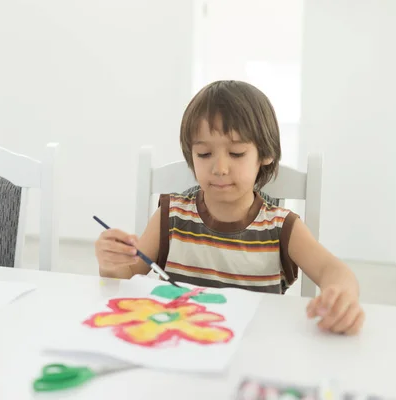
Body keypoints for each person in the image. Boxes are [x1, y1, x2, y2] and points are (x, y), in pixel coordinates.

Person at [95, 80, 364, 335]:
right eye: (204, 154)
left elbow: (334, 271)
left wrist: (342, 296)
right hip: (180, 344)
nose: (220, 168)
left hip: (256, 352)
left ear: (266, 154)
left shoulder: (281, 227)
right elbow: (128, 277)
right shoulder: (171, 216)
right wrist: (112, 264)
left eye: (236, 154)